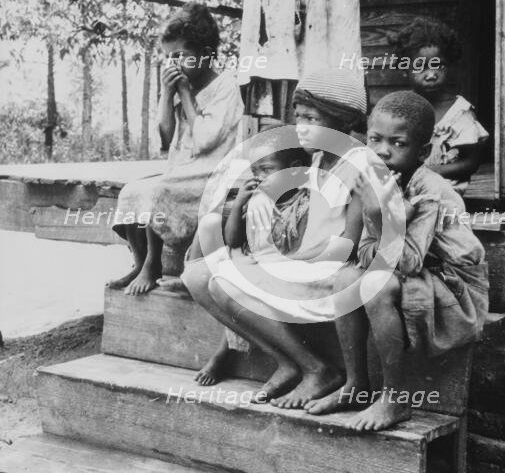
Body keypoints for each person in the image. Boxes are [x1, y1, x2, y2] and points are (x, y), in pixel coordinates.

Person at [181, 67, 368, 407]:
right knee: (202, 277)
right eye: (298, 117)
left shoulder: (356, 164)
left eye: (311, 117)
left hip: (329, 272)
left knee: (225, 283)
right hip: (301, 260)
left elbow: (347, 241)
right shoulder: (320, 160)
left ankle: (316, 368)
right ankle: (288, 362)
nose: (301, 127)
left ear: (341, 120)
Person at [306, 91, 489, 432]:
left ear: (421, 152)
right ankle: (356, 385)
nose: (382, 150)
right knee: (346, 280)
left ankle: (396, 399)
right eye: (374, 139)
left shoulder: (429, 192)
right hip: (418, 275)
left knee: (375, 285)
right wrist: (372, 214)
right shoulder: (376, 181)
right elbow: (362, 254)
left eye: (397, 143)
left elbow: (407, 262)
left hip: (455, 289)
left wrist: (379, 217)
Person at [108, 2, 243, 295]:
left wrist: (183, 92)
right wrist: (167, 94)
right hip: (184, 169)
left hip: (214, 170)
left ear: (205, 53)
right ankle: (139, 260)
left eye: (180, 55)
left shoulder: (226, 86)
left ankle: (153, 264)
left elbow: (206, 140)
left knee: (161, 190)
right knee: (132, 192)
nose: (174, 63)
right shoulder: (182, 84)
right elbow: (166, 136)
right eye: (168, 57)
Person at [186, 129, 311, 386]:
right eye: (255, 171)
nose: (258, 177)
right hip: (252, 262)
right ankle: (280, 359)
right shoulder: (259, 198)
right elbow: (233, 239)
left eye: (266, 169)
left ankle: (226, 352)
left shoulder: (304, 200)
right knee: (196, 275)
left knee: (228, 281)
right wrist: (242, 202)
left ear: (294, 169)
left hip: (283, 273)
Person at [395, 17, 488, 195]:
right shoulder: (402, 109)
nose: (431, 74)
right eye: (420, 67)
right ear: (405, 70)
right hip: (408, 190)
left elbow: (471, 162)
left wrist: (431, 172)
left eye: (438, 66)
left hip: (446, 193)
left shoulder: (458, 113)